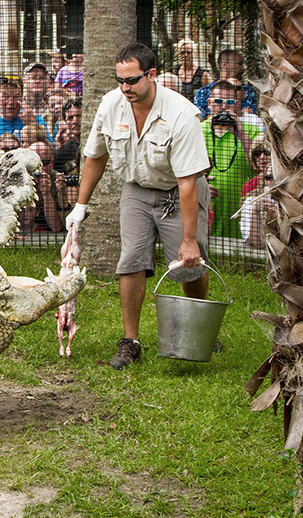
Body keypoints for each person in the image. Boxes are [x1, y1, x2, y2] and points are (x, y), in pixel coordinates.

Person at [67, 42, 211, 370]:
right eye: (119, 80)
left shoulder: (181, 113)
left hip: (179, 191)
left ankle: (199, 321)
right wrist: (80, 205)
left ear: (152, 74)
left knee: (191, 263)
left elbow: (188, 182)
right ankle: (130, 341)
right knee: (131, 260)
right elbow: (96, 155)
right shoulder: (111, 104)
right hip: (137, 188)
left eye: (132, 80)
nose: (125, 88)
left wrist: (189, 241)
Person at [203, 79, 259, 239]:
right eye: (219, 101)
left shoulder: (251, 131)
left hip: (238, 209)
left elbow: (258, 167)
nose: (224, 106)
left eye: (230, 102)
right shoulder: (197, 130)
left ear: (238, 104)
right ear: (209, 102)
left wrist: (239, 130)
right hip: (207, 211)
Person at [194, 48, 259, 119]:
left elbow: (250, 117)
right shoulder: (203, 92)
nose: (243, 68)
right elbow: (199, 119)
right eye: (239, 64)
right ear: (224, 65)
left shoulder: (247, 91)